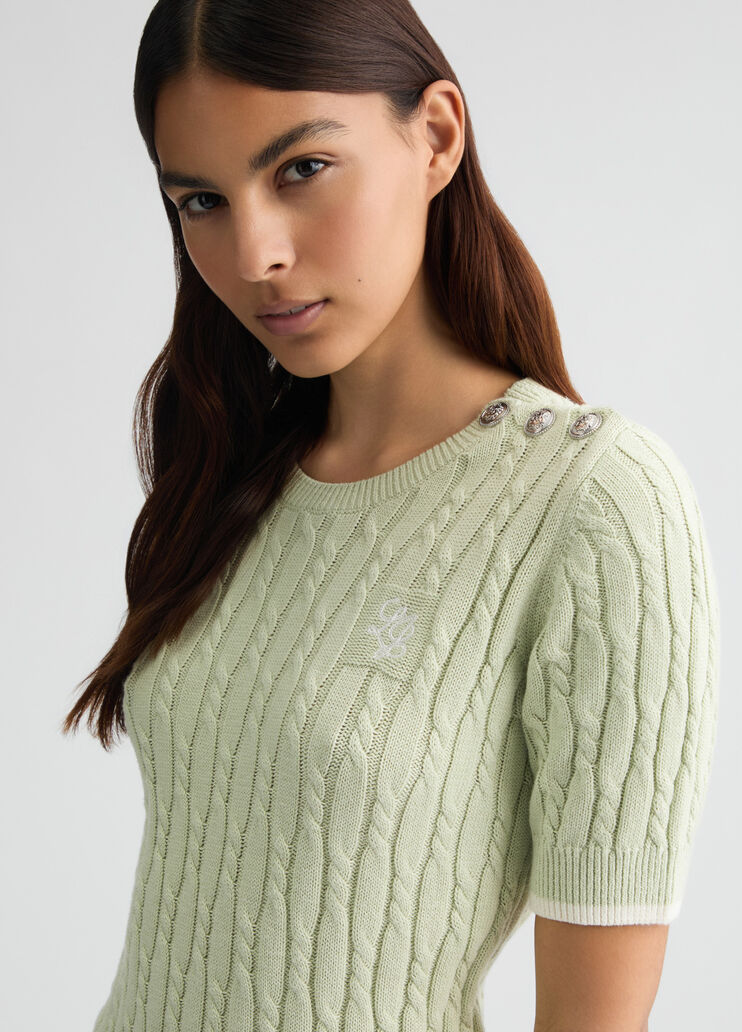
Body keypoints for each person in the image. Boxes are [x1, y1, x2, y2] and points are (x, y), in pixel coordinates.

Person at [61, 1, 721, 1030]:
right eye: (200, 200)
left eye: (301, 169)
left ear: (437, 135)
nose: (254, 253)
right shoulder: (240, 471)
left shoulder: (594, 503)